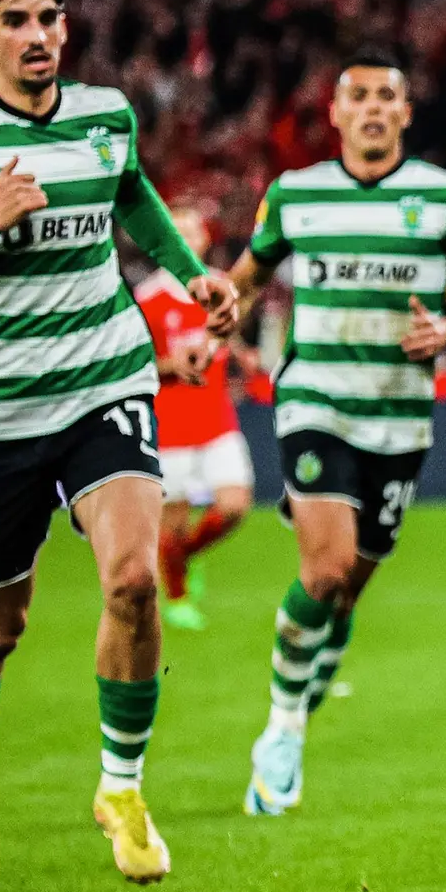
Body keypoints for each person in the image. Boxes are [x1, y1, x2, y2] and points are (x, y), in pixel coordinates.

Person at [0, 0, 238, 890]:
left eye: (52, 18)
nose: (40, 35)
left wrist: (193, 274)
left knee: (132, 582)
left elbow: (134, 200)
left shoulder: (102, 115)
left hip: (103, 379)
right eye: (19, 19)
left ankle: (121, 786)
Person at [226, 49, 446, 817]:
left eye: (389, 95)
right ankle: (282, 730)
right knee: (325, 570)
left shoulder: (444, 196)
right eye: (360, 96)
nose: (375, 107)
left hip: (399, 413)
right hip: (316, 399)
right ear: (337, 114)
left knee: (350, 581)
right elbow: (246, 277)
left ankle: (325, 639)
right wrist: (224, 314)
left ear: (406, 113)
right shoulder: (295, 196)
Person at [136, 208, 253, 632]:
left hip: (216, 416)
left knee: (235, 505)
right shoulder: (149, 297)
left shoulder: (221, 286)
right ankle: (179, 597)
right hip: (170, 421)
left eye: (192, 231)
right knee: (174, 517)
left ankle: (184, 555)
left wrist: (239, 353)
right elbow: (137, 359)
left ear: (205, 238)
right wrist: (171, 364)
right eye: (176, 231)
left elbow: (223, 332)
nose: (185, 239)